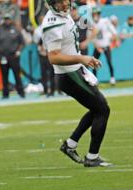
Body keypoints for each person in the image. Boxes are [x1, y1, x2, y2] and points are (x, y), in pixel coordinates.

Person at [42, 0, 112, 167]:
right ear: (52, 4)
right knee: (102, 109)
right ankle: (92, 157)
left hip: (75, 70)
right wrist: (82, 58)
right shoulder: (52, 23)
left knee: (98, 108)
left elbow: (78, 26)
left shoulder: (65, 15)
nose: (65, 4)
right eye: (60, 3)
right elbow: (53, 57)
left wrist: (86, 23)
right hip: (68, 75)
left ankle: (70, 144)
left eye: (66, 1)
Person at [0, 13, 25, 99]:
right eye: (6, 19)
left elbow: (22, 42)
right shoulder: (0, 30)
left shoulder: (16, 29)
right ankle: (5, 94)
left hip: (14, 56)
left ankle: (21, 92)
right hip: (3, 56)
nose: (7, 21)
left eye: (8, 19)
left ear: (11, 20)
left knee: (17, 75)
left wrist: (18, 51)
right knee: (4, 76)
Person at [91, 6, 117, 85]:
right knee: (94, 63)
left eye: (97, 14)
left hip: (105, 45)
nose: (95, 16)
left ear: (99, 14)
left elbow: (114, 32)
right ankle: (94, 79)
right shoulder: (91, 23)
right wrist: (96, 46)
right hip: (97, 46)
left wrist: (113, 38)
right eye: (94, 14)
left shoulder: (105, 21)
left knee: (109, 61)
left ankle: (112, 78)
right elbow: (91, 37)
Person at [33, 15, 55, 96]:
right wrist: (41, 48)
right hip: (42, 53)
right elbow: (36, 41)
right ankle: (45, 89)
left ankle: (52, 90)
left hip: (50, 52)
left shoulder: (51, 28)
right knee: (43, 73)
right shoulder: (37, 30)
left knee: (52, 72)